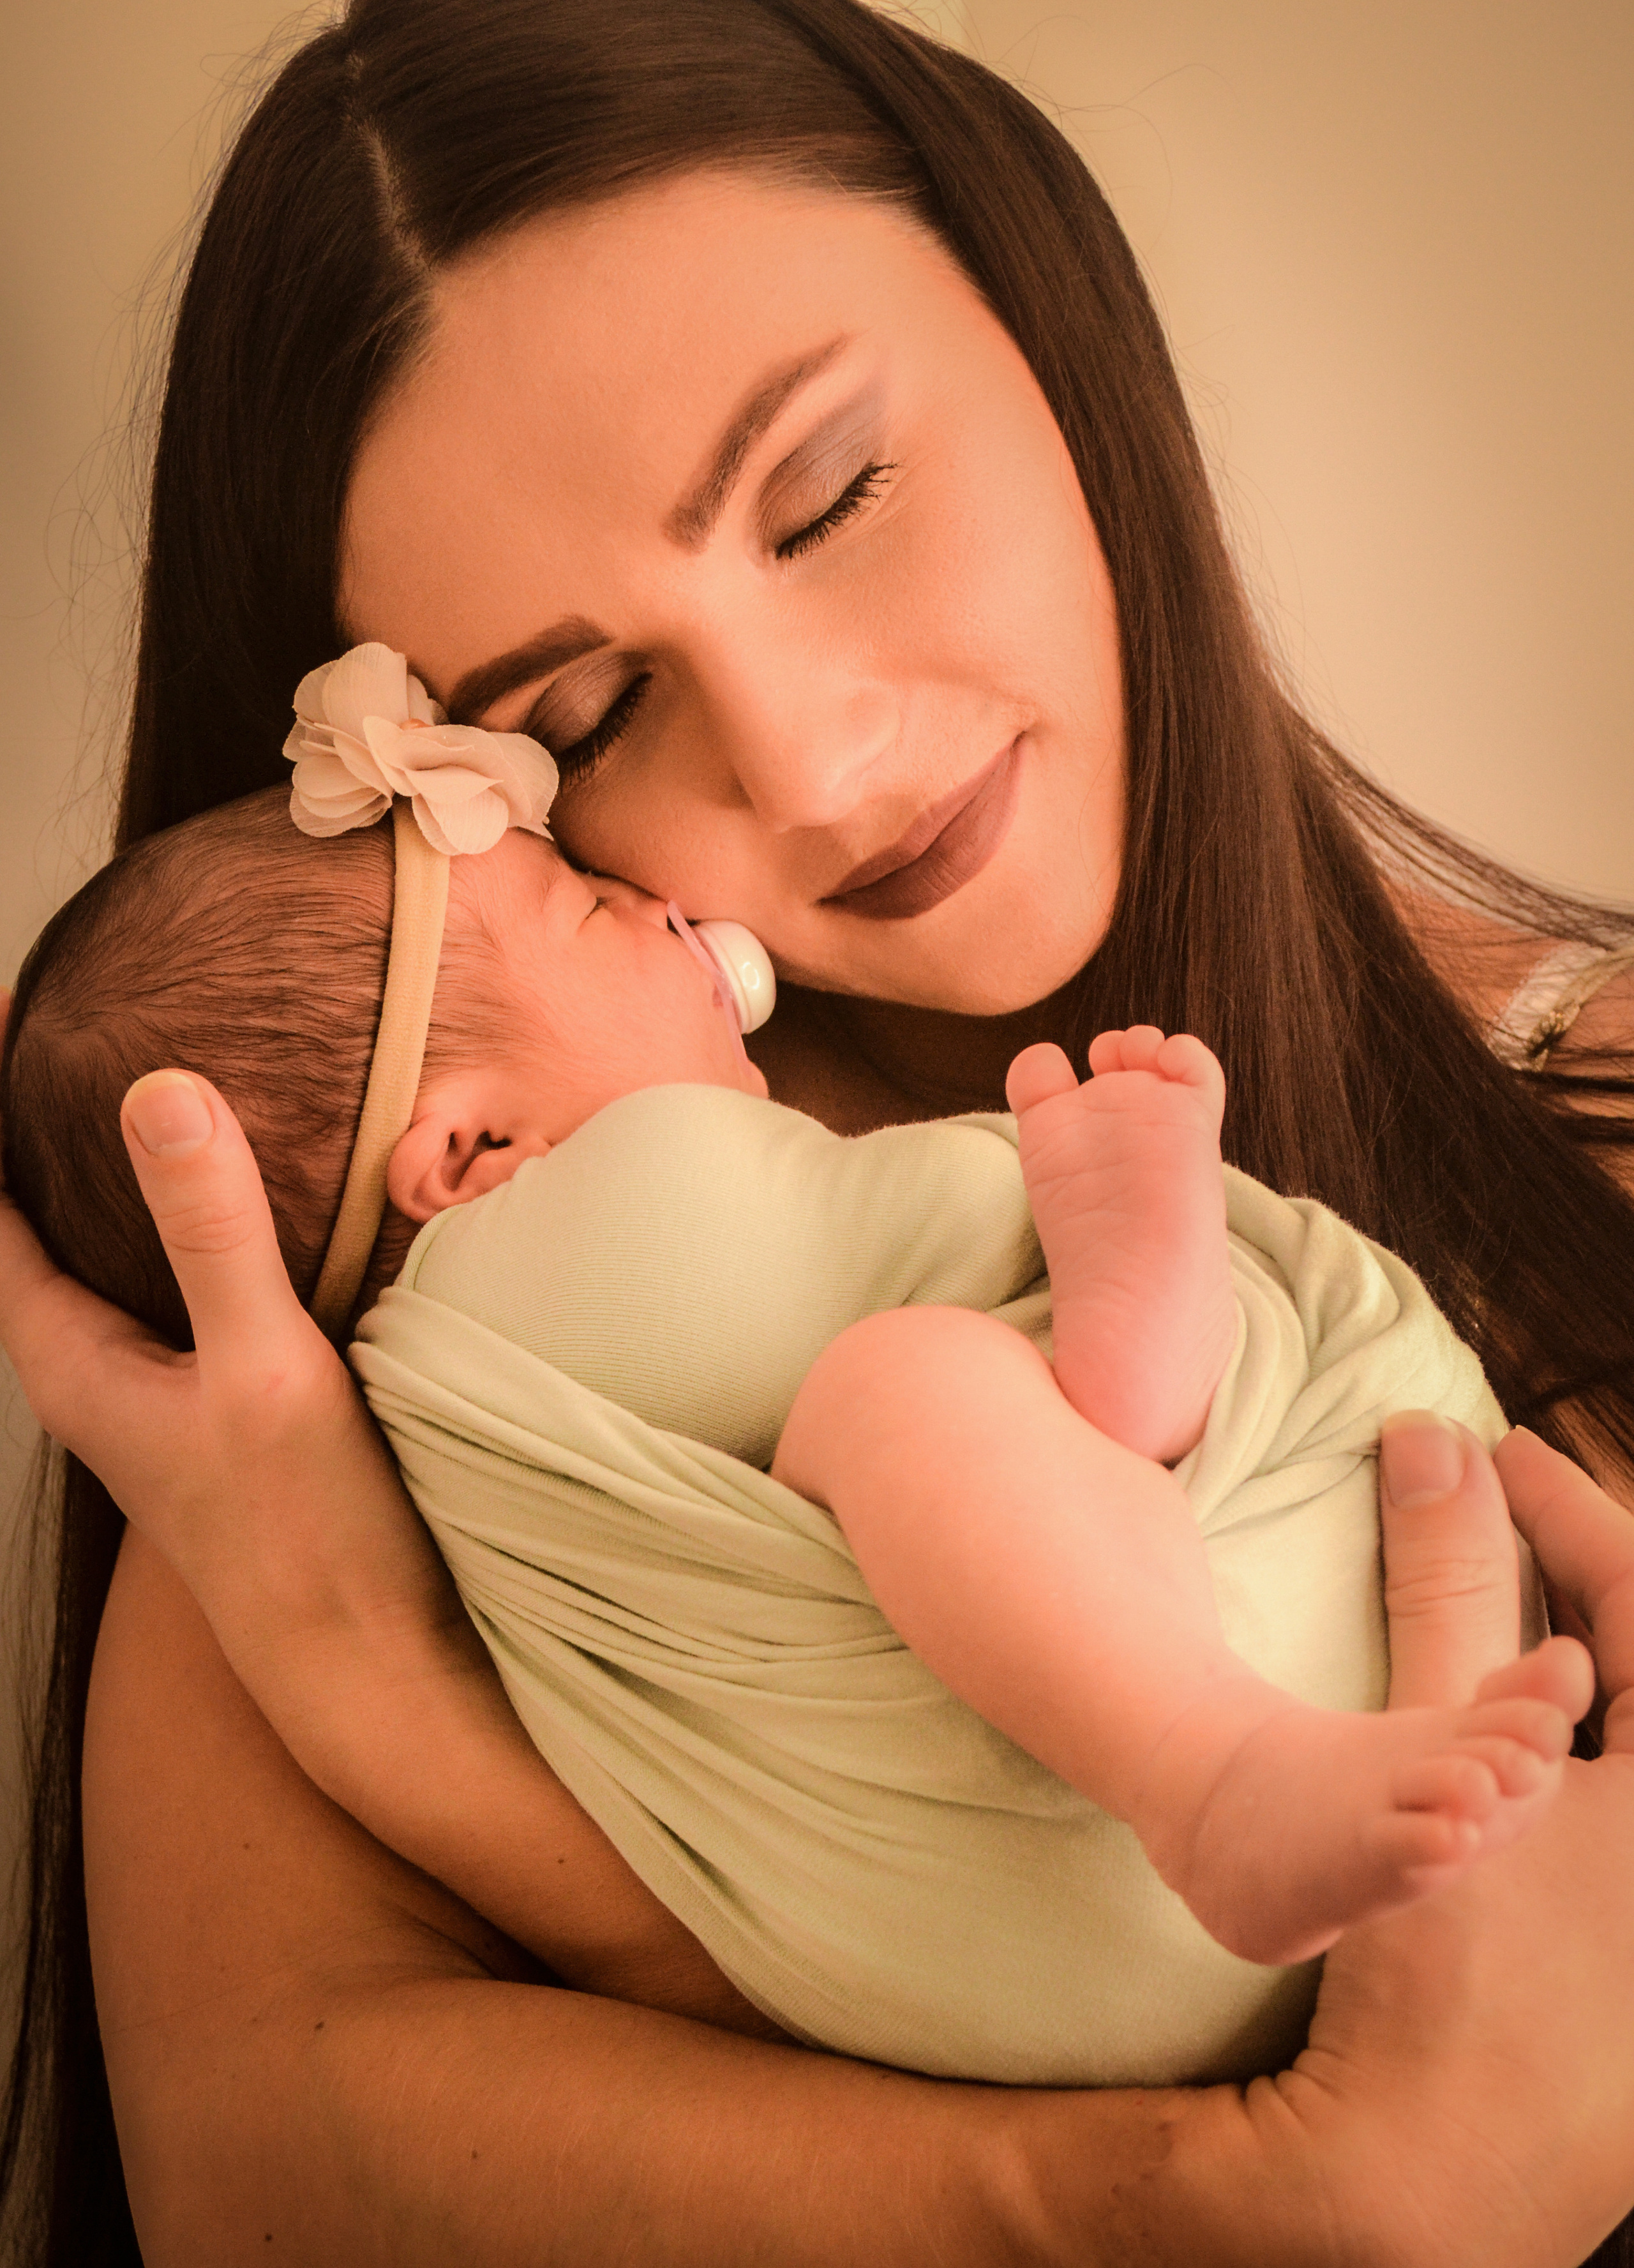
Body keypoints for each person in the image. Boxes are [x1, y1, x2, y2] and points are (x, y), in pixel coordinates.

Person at [1, 0, 1633, 2259]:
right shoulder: (422, 1346)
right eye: (588, 713)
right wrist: (1303, 2193)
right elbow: (262, 2174)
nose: (814, 764)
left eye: (832, 493)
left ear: (1056, 325)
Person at [3, 756, 1588, 2089]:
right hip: (1144, 1819)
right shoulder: (576, 1232)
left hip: (997, 1992)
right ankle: (1208, 1748)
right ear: (470, 1146)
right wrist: (1028, 1196)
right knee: (910, 1387)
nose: (654, 902)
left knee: (961, 1397)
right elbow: (939, 1244)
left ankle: (1135, 1365)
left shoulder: (378, 1439)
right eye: (582, 905)